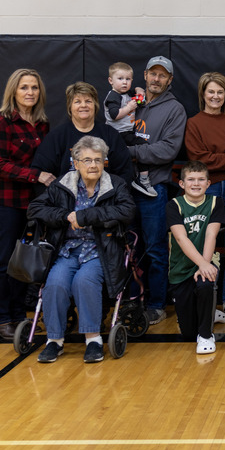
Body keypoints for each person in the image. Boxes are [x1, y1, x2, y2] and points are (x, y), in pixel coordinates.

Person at [28, 136, 136, 364]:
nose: (93, 165)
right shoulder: (62, 185)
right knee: (55, 283)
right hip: (67, 250)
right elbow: (35, 208)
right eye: (87, 160)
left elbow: (127, 211)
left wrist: (85, 216)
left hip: (101, 250)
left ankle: (93, 339)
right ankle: (54, 341)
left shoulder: (115, 184)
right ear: (75, 163)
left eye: (98, 160)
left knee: (83, 282)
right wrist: (64, 215)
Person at [0, 68, 54, 341]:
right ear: (14, 91)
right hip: (3, 200)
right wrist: (35, 175)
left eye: (34, 88)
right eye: (24, 87)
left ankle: (17, 315)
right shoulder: (1, 122)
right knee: (2, 260)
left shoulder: (41, 124)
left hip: (30, 203)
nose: (30, 92)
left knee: (21, 262)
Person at [128, 55, 187, 326]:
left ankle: (156, 304)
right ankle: (130, 301)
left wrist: (129, 152)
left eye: (163, 75)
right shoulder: (131, 103)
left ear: (170, 80)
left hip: (154, 188)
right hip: (123, 188)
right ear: (145, 74)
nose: (157, 79)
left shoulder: (174, 110)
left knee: (154, 248)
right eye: (153, 73)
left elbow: (167, 150)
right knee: (127, 246)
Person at [183, 71, 225, 322]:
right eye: (211, 92)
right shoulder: (194, 123)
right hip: (206, 190)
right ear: (203, 94)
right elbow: (199, 160)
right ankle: (203, 301)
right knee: (200, 247)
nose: (216, 96)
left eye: (221, 92)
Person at [167, 161, 224, 355]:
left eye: (201, 179)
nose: (196, 183)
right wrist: (201, 263)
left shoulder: (216, 202)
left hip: (206, 261)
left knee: (206, 283)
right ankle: (204, 316)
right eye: (191, 179)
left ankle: (207, 334)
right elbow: (181, 239)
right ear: (182, 184)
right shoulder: (174, 205)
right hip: (181, 267)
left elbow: (211, 235)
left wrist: (204, 265)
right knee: (188, 333)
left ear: (208, 183)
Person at [31, 82, 135, 185]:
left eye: (88, 101)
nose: (83, 105)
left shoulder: (110, 134)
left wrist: (113, 198)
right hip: (66, 200)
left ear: (95, 105)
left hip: (106, 199)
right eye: (77, 102)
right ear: (70, 107)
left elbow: (125, 172)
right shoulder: (57, 137)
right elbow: (41, 173)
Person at [103, 61, 155, 197]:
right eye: (120, 79)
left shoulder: (127, 93)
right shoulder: (113, 96)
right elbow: (114, 115)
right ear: (111, 81)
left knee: (143, 147)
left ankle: (142, 178)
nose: (124, 82)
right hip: (115, 133)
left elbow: (138, 90)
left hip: (127, 132)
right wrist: (129, 108)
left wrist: (139, 90)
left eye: (128, 79)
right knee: (121, 157)